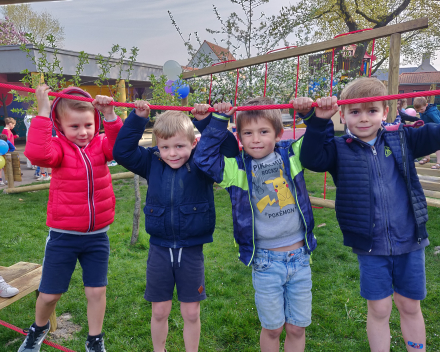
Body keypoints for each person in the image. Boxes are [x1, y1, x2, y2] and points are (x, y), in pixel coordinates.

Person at [298, 77, 434, 352]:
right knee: (380, 308)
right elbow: (311, 160)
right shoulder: (338, 148)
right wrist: (317, 121)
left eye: (372, 111)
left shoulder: (403, 137)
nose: (363, 119)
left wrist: (427, 111)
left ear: (385, 112)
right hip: (370, 244)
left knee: (409, 305)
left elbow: (437, 132)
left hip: (410, 240)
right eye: (355, 112)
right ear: (343, 114)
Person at [193, 97, 327, 352]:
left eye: (263, 131)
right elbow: (204, 159)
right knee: (273, 328)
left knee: (297, 327)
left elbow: (316, 141)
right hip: (266, 262)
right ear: (239, 137)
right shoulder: (237, 169)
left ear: (278, 134)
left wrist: (310, 114)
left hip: (300, 259)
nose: (255, 139)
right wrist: (218, 121)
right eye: (248, 133)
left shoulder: (291, 157)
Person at [112, 101, 239, 352]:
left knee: (191, 312)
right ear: (156, 147)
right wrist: (138, 118)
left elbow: (231, 150)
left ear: (193, 143)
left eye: (180, 146)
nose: (172, 154)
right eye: (165, 147)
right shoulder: (151, 162)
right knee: (159, 310)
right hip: (159, 250)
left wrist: (208, 121)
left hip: (191, 251)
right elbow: (122, 153)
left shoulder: (203, 161)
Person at [18, 85, 123, 352]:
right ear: (60, 126)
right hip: (64, 236)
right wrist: (43, 111)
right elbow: (37, 154)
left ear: (95, 122)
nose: (83, 132)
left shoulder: (100, 144)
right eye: (74, 126)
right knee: (50, 294)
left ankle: (94, 340)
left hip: (97, 236)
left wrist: (110, 116)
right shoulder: (57, 148)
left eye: (88, 124)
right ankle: (38, 330)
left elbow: (120, 148)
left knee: (96, 292)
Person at [414, 97, 440, 169]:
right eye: (417, 110)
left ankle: (439, 161)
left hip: (436, 130)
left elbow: (438, 122)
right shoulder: (422, 111)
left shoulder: (432, 112)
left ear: (426, 105)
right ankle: (427, 157)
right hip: (428, 130)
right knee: (424, 142)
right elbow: (423, 121)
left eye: (421, 109)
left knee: (437, 146)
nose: (420, 111)